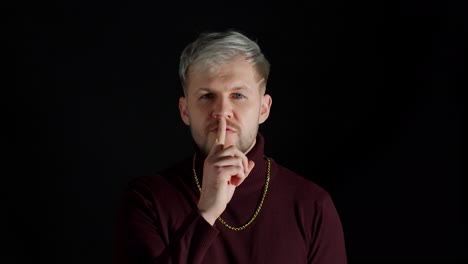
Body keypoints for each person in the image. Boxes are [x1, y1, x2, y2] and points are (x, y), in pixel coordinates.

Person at [112, 30, 347, 264]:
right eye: (206, 96)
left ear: (263, 109)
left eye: (238, 95)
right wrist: (205, 213)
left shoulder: (312, 204)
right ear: (185, 111)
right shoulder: (147, 199)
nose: (222, 111)